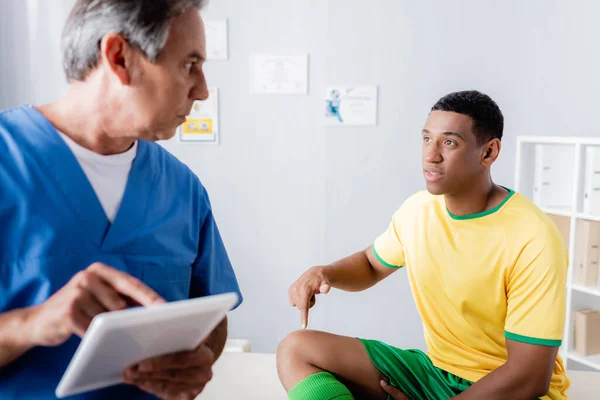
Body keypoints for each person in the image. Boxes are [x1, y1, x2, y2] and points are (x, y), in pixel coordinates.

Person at [0, 1, 242, 399]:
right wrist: (34, 322)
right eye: (189, 65)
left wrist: (197, 359)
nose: (202, 90)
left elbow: (210, 316)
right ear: (119, 57)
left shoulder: (182, 189)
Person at [278, 90, 570, 400]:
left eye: (449, 142)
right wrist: (325, 273)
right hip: (437, 374)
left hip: (509, 390)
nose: (431, 155)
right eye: (426, 139)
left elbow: (529, 376)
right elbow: (370, 265)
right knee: (296, 349)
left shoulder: (533, 236)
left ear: (489, 153)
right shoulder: (418, 210)